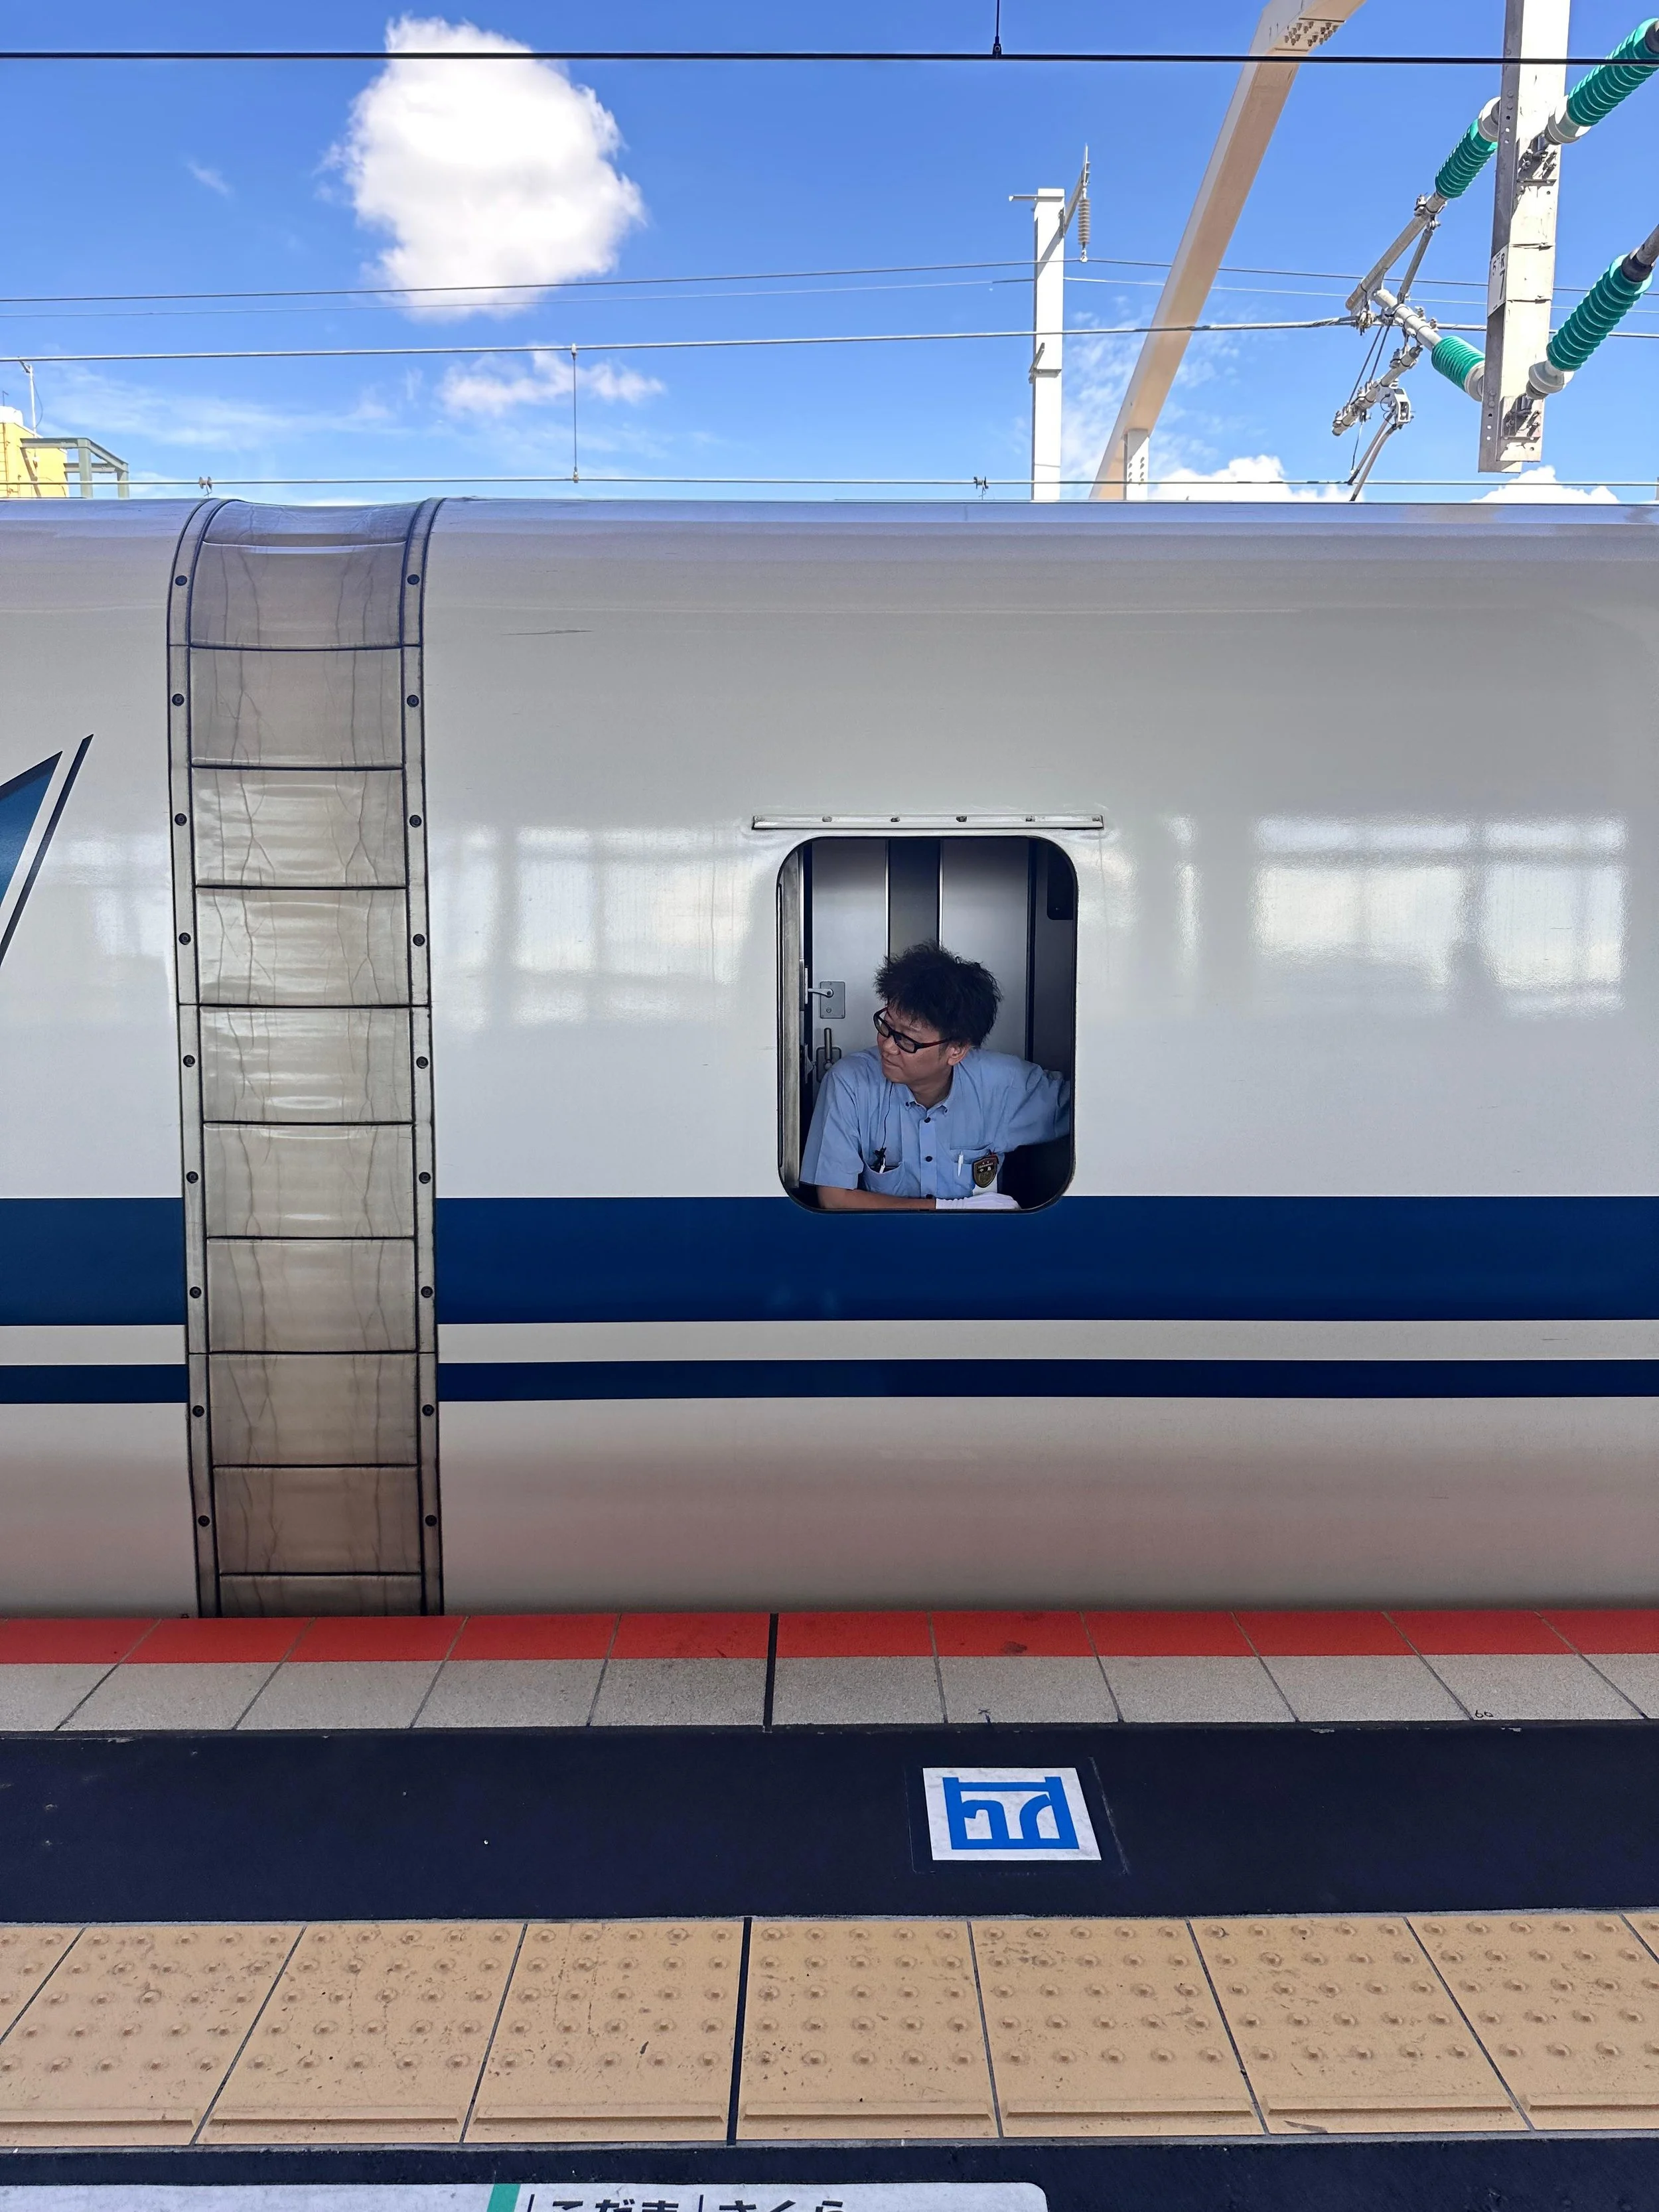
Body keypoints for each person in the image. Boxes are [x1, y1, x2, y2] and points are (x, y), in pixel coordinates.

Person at [801, 942, 1070, 1211]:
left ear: (957, 1050)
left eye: (907, 1040)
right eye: (887, 1026)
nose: (887, 1046)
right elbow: (834, 1198)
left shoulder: (1004, 1085)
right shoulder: (850, 1083)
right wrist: (945, 1208)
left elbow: (1090, 1105)